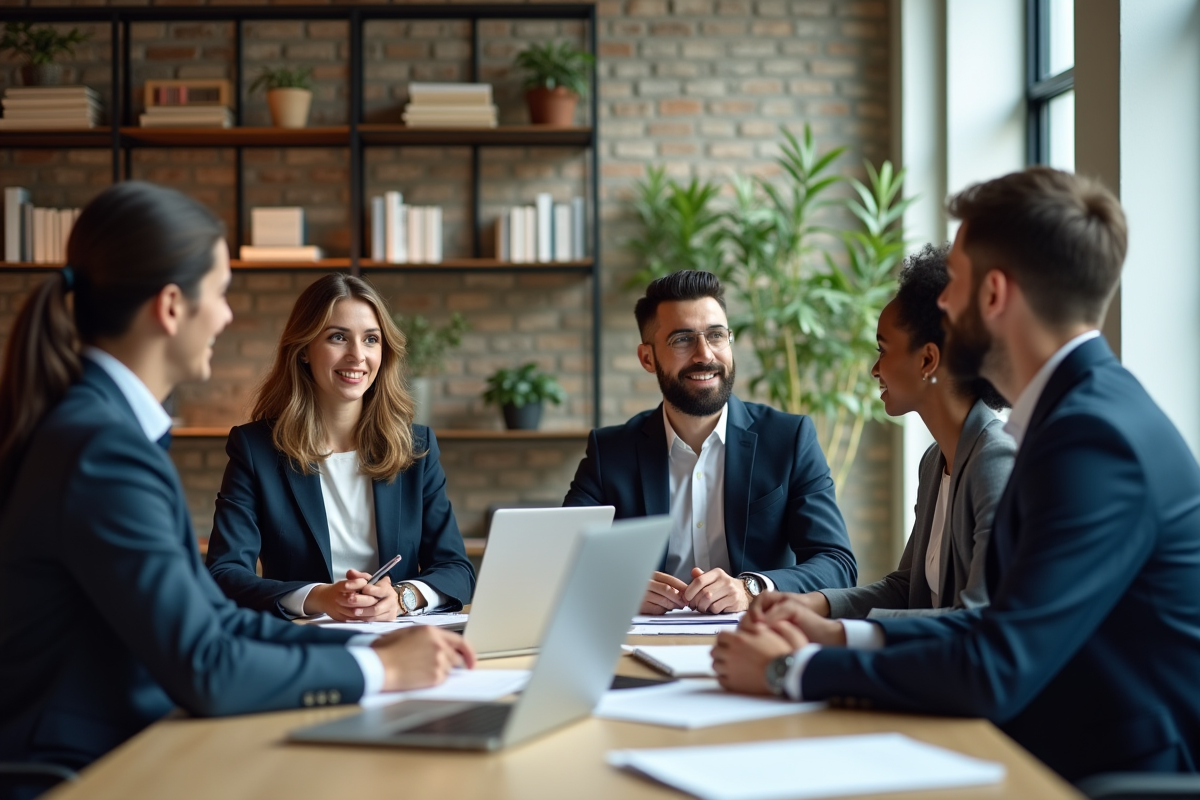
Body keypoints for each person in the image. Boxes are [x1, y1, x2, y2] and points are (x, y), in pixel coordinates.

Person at [712, 167, 1200, 782]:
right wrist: (833, 635)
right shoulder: (1078, 414)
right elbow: (991, 624)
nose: (942, 301)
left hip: (1099, 774)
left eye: (956, 283)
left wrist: (794, 671)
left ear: (994, 295)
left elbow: (997, 663)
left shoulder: (1090, 438)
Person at [0, 183, 474, 777]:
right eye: (221, 293)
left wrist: (369, 644)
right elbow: (207, 662)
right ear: (171, 306)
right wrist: (382, 671)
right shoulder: (103, 449)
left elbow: (212, 621)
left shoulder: (100, 430)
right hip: (84, 768)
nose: (226, 315)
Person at [563, 269, 856, 616]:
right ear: (647, 358)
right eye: (682, 340)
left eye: (716, 335)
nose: (705, 355)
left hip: (758, 638)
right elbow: (562, 558)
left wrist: (752, 587)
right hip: (645, 642)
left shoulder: (789, 439)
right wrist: (620, 586)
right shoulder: (610, 452)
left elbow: (837, 564)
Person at [206, 273, 475, 621]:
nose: (357, 356)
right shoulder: (256, 449)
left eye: (371, 340)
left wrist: (401, 597)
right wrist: (319, 597)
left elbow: (456, 570)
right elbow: (224, 573)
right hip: (303, 643)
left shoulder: (416, 448)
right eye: (337, 337)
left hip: (399, 642)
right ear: (303, 349)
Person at [800, 244, 1015, 620]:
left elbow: (980, 617)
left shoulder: (995, 460)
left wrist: (836, 632)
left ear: (928, 359)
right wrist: (813, 604)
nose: (874, 369)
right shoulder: (935, 461)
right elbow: (907, 588)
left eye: (883, 350)